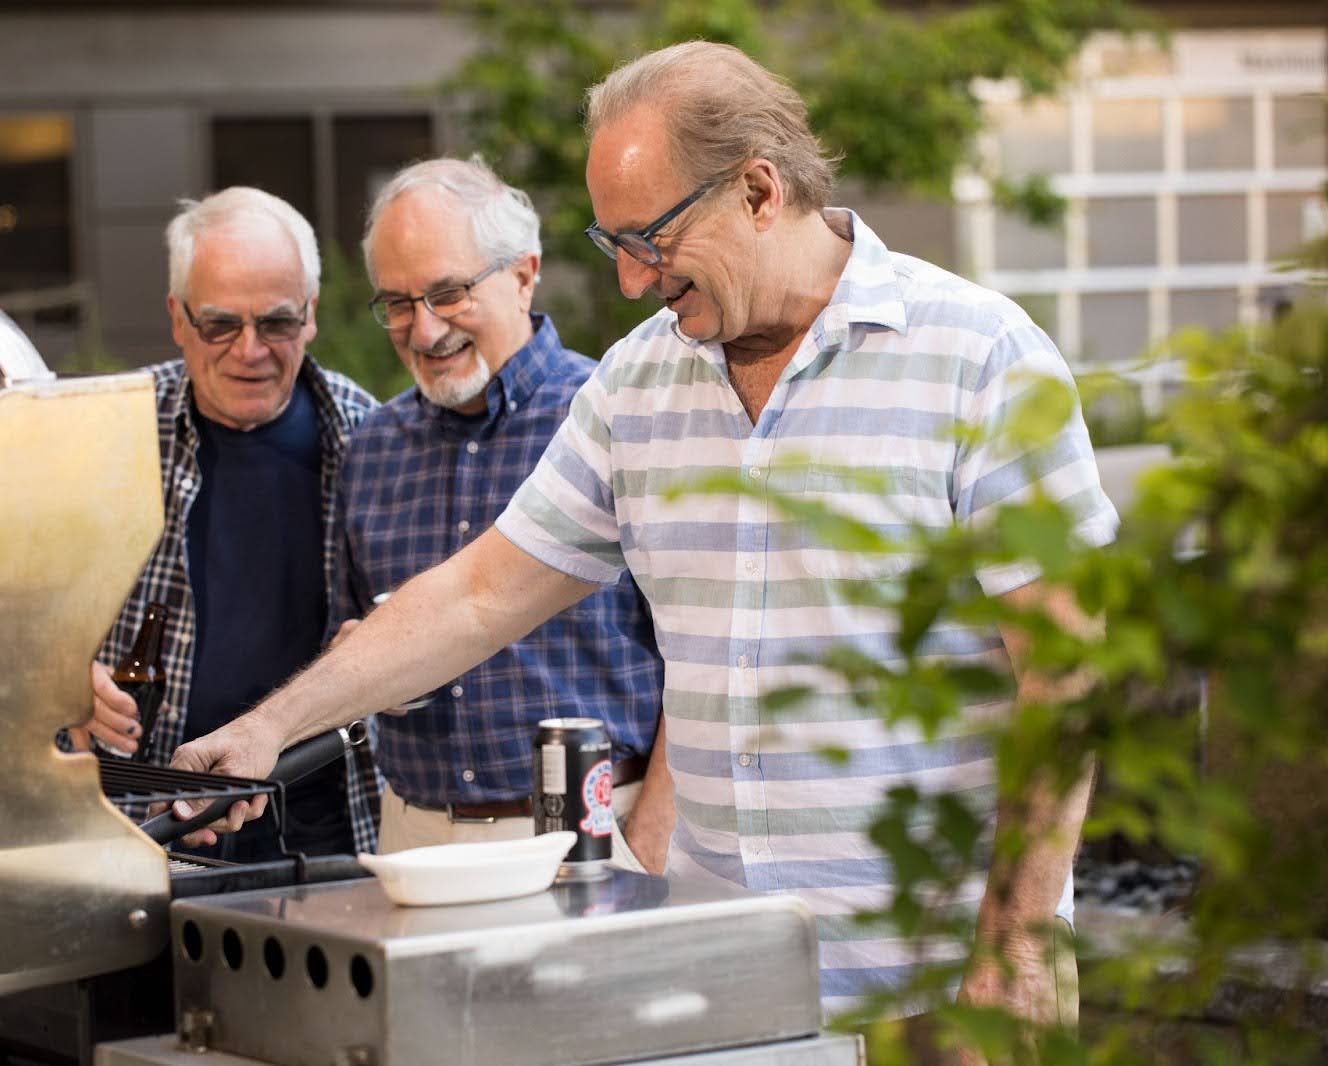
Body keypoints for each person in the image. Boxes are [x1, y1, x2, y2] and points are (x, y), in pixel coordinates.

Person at [167, 42, 1118, 1037]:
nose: (628, 280)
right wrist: (268, 730)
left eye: (650, 238)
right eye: (611, 241)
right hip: (717, 980)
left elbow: (1067, 672)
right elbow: (479, 594)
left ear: (758, 190)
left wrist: (1017, 938)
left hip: (931, 984)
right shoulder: (637, 382)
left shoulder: (979, 358)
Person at [331, 157, 670, 869]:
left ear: (523, 273)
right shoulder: (370, 451)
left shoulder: (615, 417)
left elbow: (699, 660)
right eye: (396, 302)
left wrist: (650, 843)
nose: (423, 330)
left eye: (448, 292)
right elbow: (349, 632)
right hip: (415, 842)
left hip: (599, 833)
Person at [68, 185, 380, 862]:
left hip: (323, 816)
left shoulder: (372, 436)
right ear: (177, 319)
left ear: (312, 316)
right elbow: (0, 607)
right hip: (136, 816)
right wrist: (59, 680)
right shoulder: (101, 430)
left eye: (275, 323)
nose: (249, 350)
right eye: (219, 325)